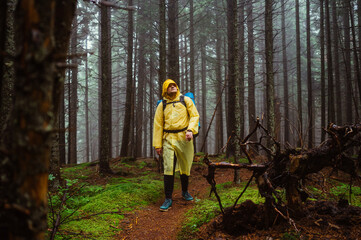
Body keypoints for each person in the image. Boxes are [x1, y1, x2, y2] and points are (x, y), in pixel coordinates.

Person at [153, 79, 200, 212]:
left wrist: (191, 130)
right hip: (168, 138)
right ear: (165, 89)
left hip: (184, 137)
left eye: (174, 85)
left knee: (185, 165)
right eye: (169, 86)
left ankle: (185, 191)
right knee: (168, 167)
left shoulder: (186, 100)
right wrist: (157, 144)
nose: (173, 87)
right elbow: (158, 125)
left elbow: (194, 116)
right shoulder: (162, 105)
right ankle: (168, 198)